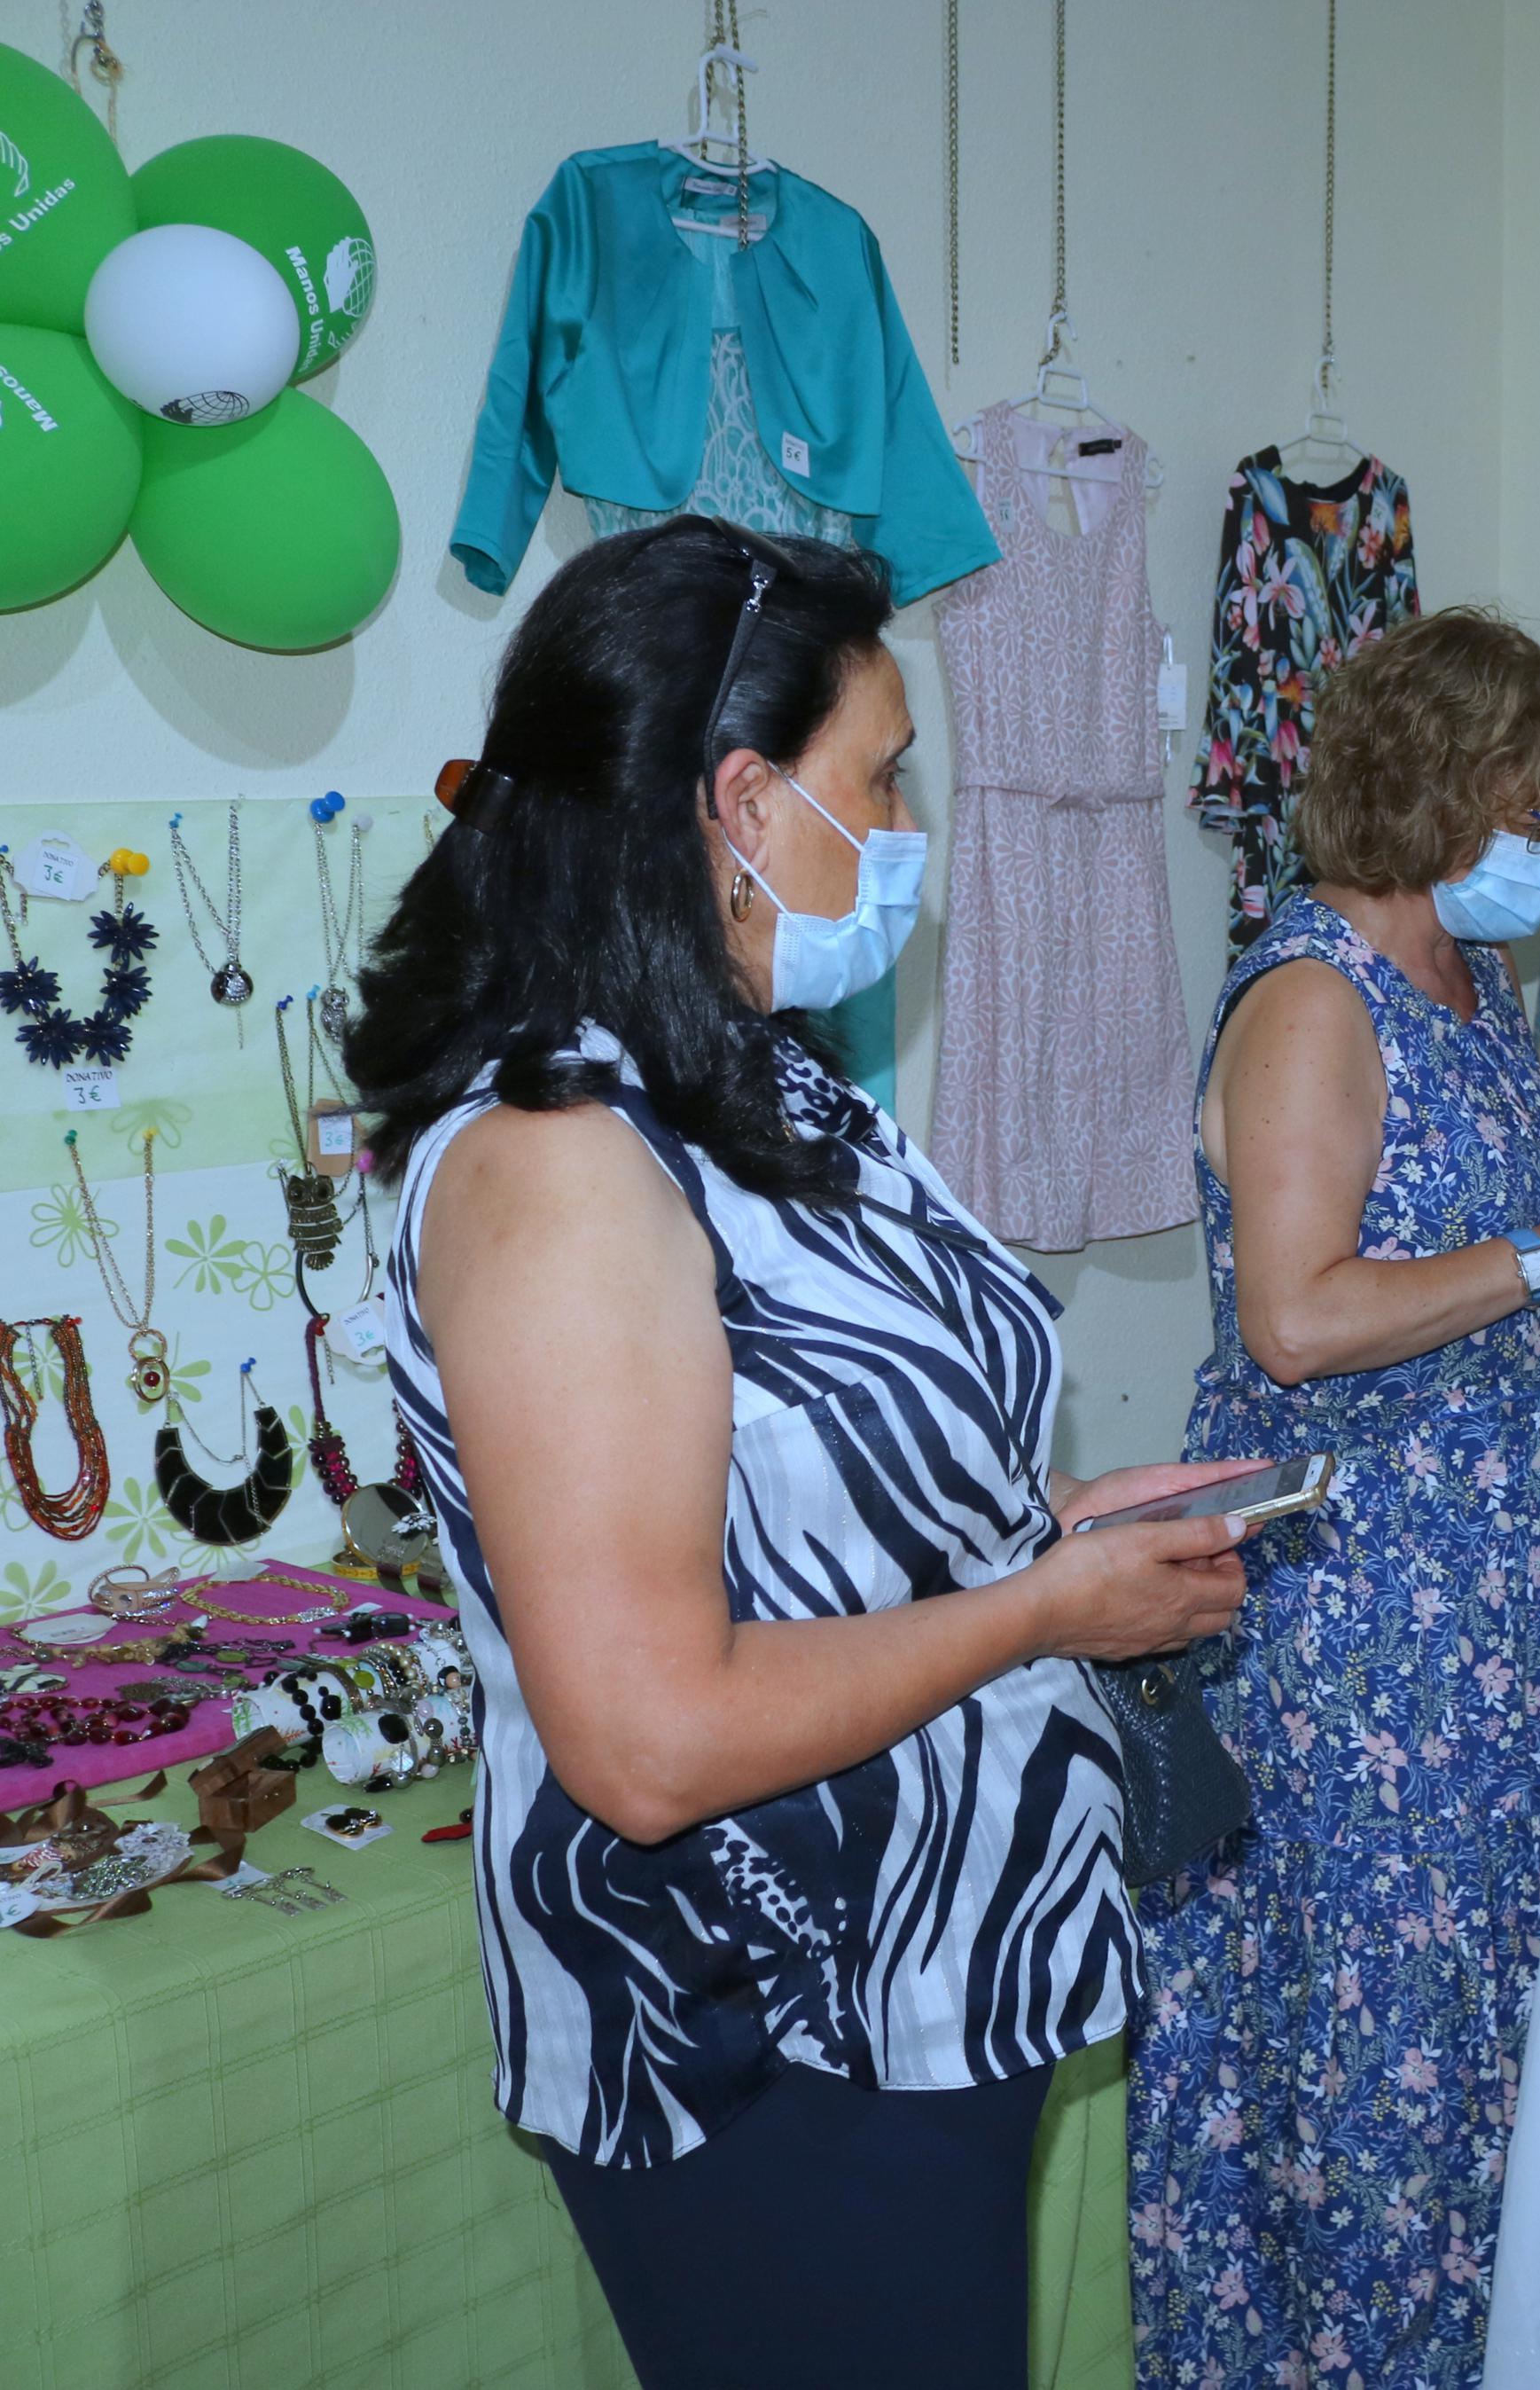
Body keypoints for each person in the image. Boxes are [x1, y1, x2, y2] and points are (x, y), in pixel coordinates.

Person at [353, 520, 1260, 2386]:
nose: (911, 813)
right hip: (758, 2015)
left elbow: (820, 1482)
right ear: (746, 804)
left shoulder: (758, 1075)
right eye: (887, 770)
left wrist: (1058, 1532)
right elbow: (649, 1735)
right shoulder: (558, 1167)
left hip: (928, 1962)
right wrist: (1034, 1613)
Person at [1133, 606, 1540, 2389]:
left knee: (1469, 2051)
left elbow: (1481, 1272)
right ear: (1436, 789)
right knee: (1365, 2062)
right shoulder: (1313, 995)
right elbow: (1297, 1318)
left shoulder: (1463, 986)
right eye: (1538, 812)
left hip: (1487, 1619)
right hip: (1359, 1638)